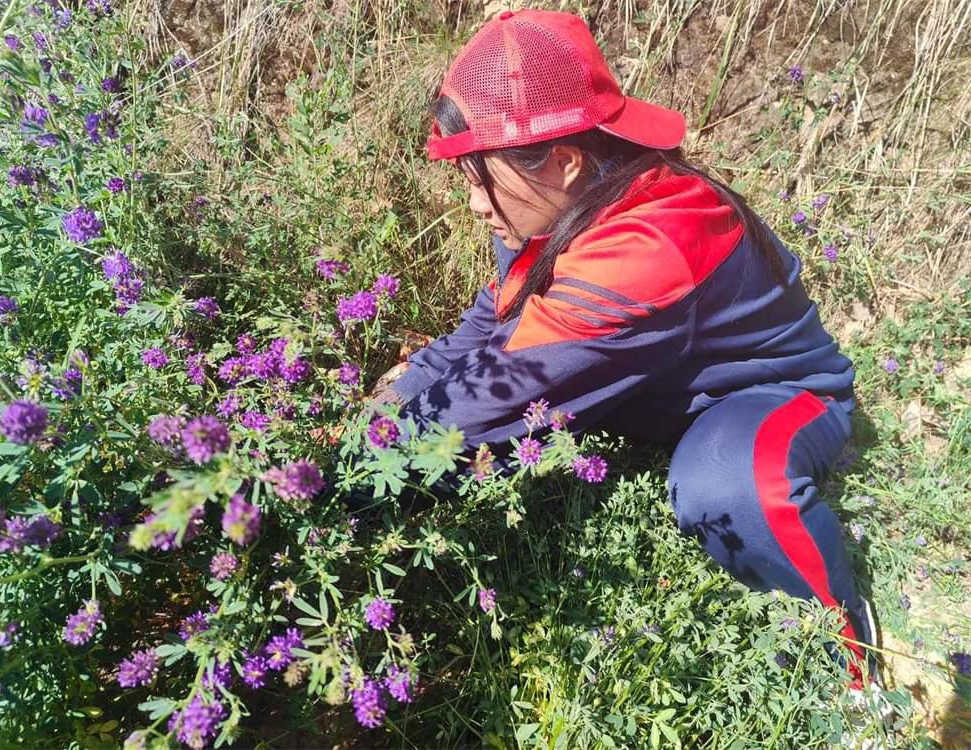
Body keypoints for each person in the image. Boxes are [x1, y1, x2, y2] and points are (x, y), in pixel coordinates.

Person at [373, 8, 880, 696]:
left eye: (478, 178)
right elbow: (499, 322)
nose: (473, 205)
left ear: (566, 160)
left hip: (769, 395)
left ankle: (851, 664)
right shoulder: (562, 197)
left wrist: (351, 463)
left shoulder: (646, 248)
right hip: (660, 387)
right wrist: (399, 393)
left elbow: (495, 397)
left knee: (726, 490)